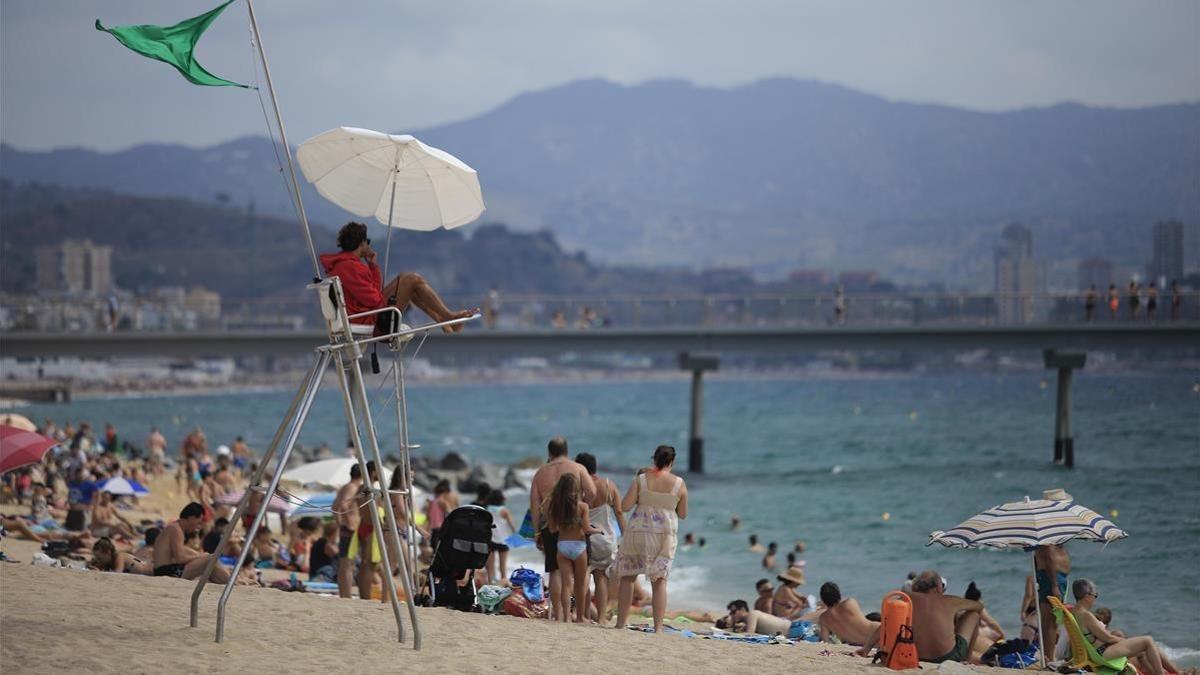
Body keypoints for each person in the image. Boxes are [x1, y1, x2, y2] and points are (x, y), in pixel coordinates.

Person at [320, 221, 475, 334]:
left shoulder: (343, 264)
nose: (368, 245)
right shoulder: (350, 267)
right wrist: (396, 290)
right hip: (369, 319)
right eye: (367, 242)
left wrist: (373, 266)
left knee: (410, 286)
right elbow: (373, 299)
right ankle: (449, 316)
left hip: (363, 314)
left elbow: (373, 293)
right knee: (412, 280)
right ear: (361, 243)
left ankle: (443, 320)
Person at [615, 445, 688, 633]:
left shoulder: (641, 480)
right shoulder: (679, 483)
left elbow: (625, 506)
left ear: (654, 459)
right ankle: (657, 628)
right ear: (671, 462)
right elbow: (683, 513)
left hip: (638, 532)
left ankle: (621, 624)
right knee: (660, 581)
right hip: (664, 535)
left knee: (628, 577)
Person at [529, 437, 595, 622]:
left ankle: (559, 615)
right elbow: (592, 492)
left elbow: (534, 504)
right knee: (580, 576)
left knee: (556, 571)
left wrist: (536, 532)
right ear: (567, 450)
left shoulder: (540, 473)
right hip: (573, 525)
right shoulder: (578, 468)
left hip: (550, 525)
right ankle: (580, 615)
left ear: (549, 453)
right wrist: (579, 510)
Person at [858, 571, 982, 664]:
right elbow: (979, 606)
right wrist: (957, 612)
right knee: (973, 615)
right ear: (939, 587)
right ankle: (968, 659)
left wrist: (866, 648)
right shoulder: (949, 601)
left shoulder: (906, 599)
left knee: (896, 617)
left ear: (914, 587)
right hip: (948, 656)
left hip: (913, 654)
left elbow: (887, 623)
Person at [1069, 578, 1169, 675]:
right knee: (1148, 641)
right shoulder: (1086, 615)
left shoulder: (1074, 611)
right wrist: (1125, 641)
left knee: (1140, 651)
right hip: (1102, 652)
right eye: (1095, 595)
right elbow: (1108, 638)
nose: (1095, 599)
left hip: (1094, 652)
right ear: (1087, 596)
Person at [576, 452, 626, 626]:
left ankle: (583, 615)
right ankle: (602, 619)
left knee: (583, 577)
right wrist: (625, 536)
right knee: (601, 579)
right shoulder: (608, 485)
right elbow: (619, 513)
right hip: (606, 539)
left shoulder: (580, 489)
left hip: (586, 537)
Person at [546, 473, 599, 623]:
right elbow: (587, 528)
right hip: (579, 547)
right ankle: (581, 616)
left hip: (562, 547)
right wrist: (598, 530)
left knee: (566, 584)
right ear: (576, 489)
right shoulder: (582, 506)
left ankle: (567, 617)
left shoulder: (555, 506)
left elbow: (552, 529)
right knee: (580, 584)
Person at [153, 502, 233, 582]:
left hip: (165, 570)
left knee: (209, 561)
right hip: (167, 572)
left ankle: (228, 581)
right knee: (210, 559)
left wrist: (200, 555)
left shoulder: (175, 528)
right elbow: (180, 558)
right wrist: (201, 557)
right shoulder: (176, 530)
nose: (198, 526)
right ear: (192, 518)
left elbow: (181, 552)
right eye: (198, 522)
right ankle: (231, 583)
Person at [333, 462, 364, 599]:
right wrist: (350, 523)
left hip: (345, 527)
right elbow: (343, 505)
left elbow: (335, 506)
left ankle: (344, 594)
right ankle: (346, 595)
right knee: (347, 564)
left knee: (345, 563)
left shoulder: (345, 487)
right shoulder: (353, 487)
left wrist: (340, 522)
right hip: (350, 528)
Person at [1035, 542, 1070, 662]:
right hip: (1052, 578)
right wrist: (1054, 585)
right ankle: (1049, 658)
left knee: (1049, 622)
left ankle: (1047, 657)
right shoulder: (1046, 534)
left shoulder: (1050, 531)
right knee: (1051, 622)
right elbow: (1049, 556)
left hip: (1053, 577)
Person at [817, 582, 880, 646]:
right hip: (878, 633)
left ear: (823, 599)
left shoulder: (823, 618)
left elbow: (825, 642)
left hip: (862, 644)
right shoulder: (849, 602)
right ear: (838, 594)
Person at [724, 599, 816, 640]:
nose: (732, 615)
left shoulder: (752, 614)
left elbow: (749, 633)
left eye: (733, 612)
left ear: (743, 610)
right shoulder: (752, 617)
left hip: (794, 630)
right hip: (795, 629)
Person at [964, 581, 1005, 661]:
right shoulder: (977, 606)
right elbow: (991, 622)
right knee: (995, 634)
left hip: (965, 634)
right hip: (974, 635)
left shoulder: (963, 605)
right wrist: (1002, 634)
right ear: (979, 599)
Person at [485, 489, 516, 585]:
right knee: (502, 568)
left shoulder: (487, 509)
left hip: (491, 540)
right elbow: (512, 526)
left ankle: (490, 587)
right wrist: (516, 536)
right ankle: (504, 588)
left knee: (490, 568)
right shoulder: (504, 511)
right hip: (503, 541)